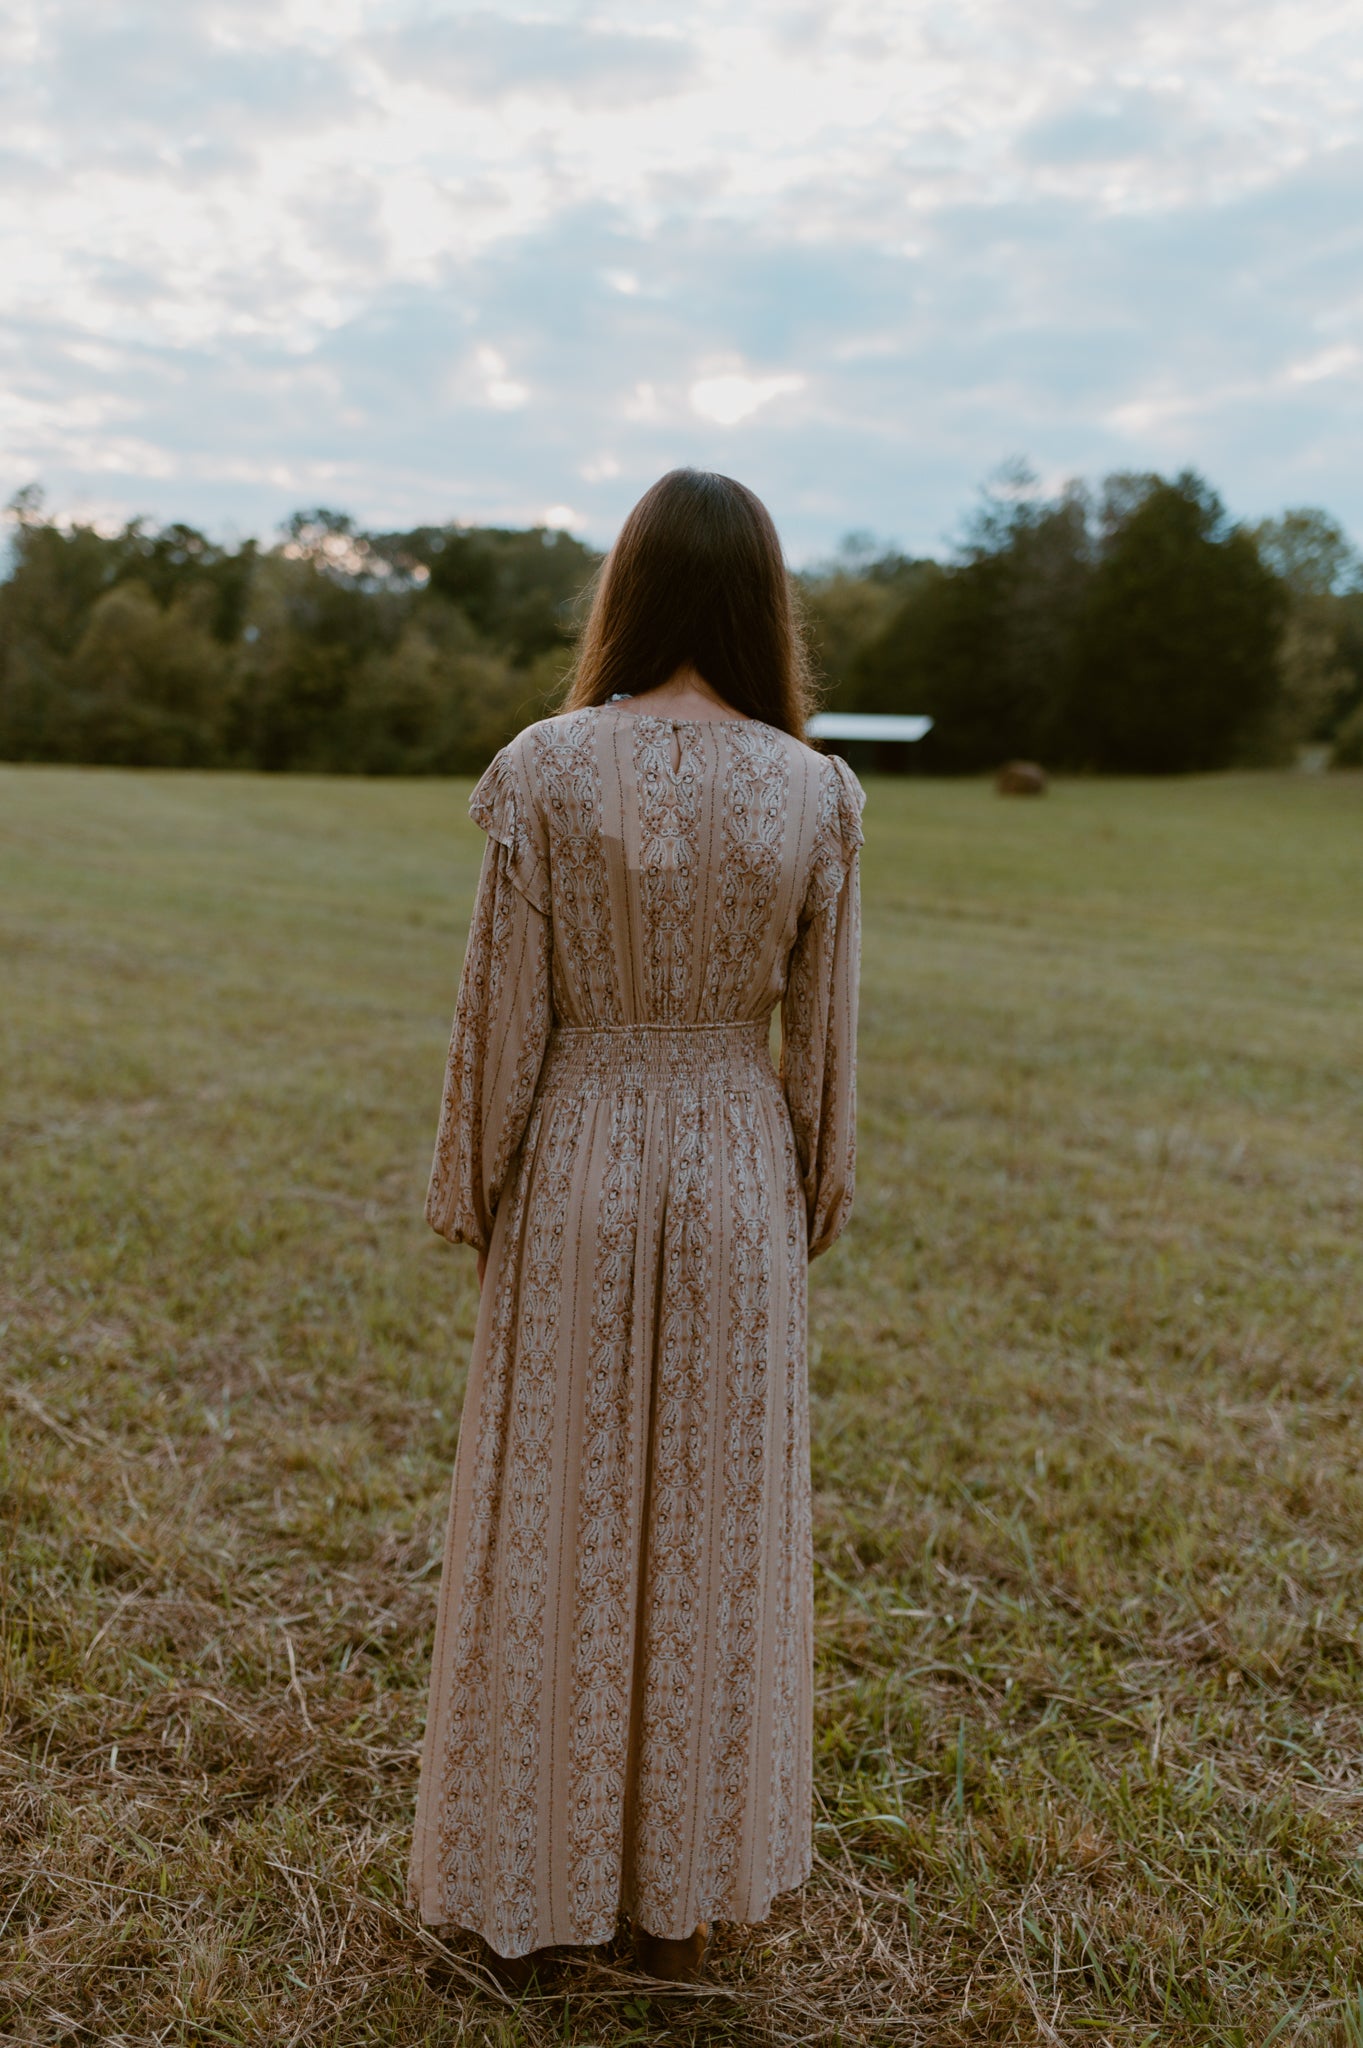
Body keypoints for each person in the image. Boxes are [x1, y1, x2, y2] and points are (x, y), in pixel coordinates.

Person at [407, 468, 864, 1990]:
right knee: (713, 1530)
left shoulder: (542, 769)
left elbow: (499, 1019)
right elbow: (827, 1052)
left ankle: (536, 1883)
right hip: (738, 1163)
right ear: (761, 604)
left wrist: (476, 1189)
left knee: (561, 1516)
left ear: (627, 591)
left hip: (584, 1156)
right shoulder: (816, 792)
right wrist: (809, 1189)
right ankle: (684, 1903)